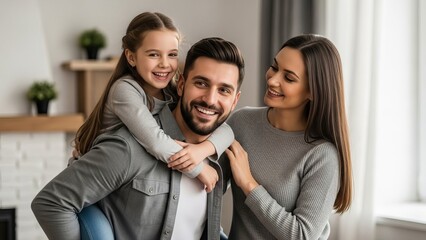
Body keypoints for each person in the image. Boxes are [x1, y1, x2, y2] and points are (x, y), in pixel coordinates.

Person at [31, 36, 244, 240]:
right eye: (201, 83)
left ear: (235, 101)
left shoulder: (223, 159)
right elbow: (51, 203)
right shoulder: (129, 147)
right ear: (180, 85)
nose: (210, 99)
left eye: (224, 90)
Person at [72, 12, 234, 192]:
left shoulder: (171, 91)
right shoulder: (124, 89)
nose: (165, 64)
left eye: (172, 54)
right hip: (89, 183)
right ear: (131, 57)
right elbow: (156, 142)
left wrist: (202, 151)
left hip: (119, 187)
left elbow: (226, 130)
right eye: (154, 55)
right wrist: (198, 168)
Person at [221, 34, 352, 239]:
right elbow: (208, 185)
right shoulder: (241, 122)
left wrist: (248, 183)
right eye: (274, 67)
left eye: (289, 78)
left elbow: (302, 235)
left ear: (313, 91)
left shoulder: (322, 155)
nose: (273, 80)